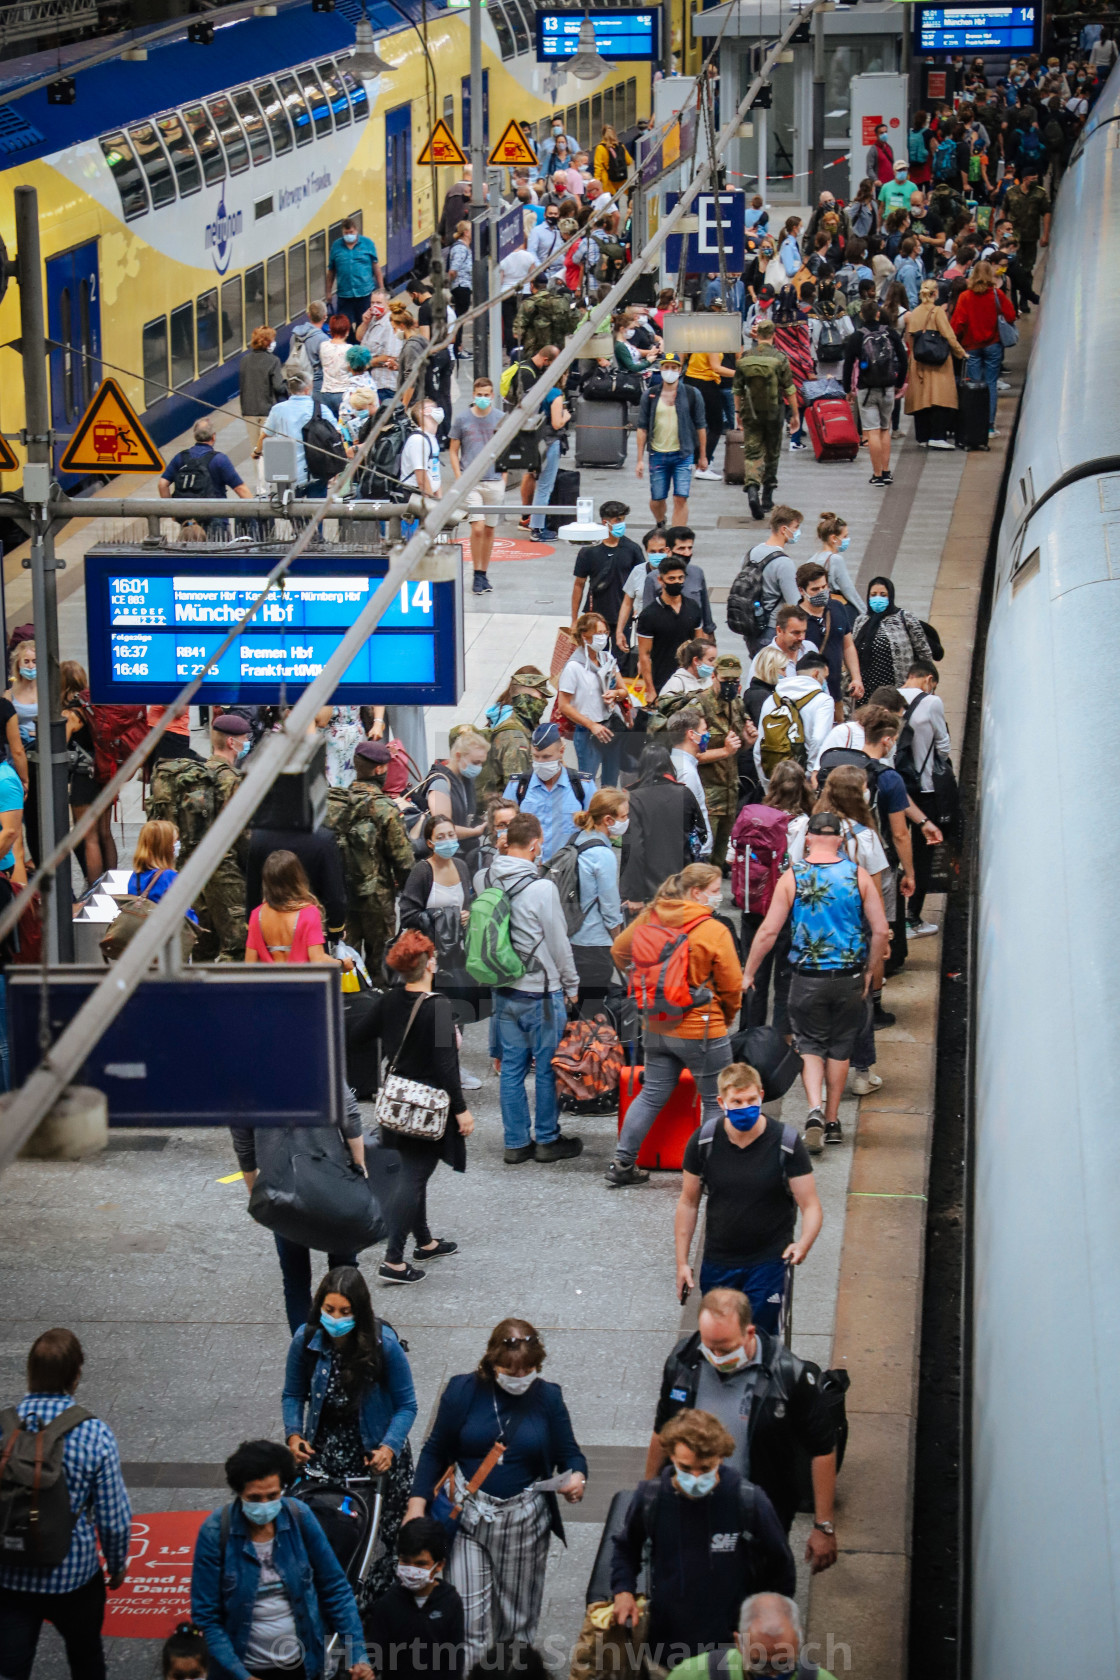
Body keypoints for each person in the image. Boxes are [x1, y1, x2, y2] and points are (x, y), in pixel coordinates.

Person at [405, 1320, 586, 1664]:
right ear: (491, 1363)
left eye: (528, 1370)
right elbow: (434, 1450)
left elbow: (571, 1453)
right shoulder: (462, 1392)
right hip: (467, 1519)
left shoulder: (548, 1397)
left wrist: (577, 1476)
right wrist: (416, 1506)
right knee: (466, 1626)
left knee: (516, 1628)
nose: (519, 1378)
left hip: (524, 1522)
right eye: (509, 1370)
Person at [648, 1289, 839, 1557]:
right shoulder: (683, 1361)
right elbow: (662, 1431)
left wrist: (824, 1525)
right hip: (691, 1507)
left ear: (749, 1332)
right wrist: (646, 1496)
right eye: (708, 1346)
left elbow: (822, 1447)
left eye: (724, 1348)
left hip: (759, 1515)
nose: (715, 1356)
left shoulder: (788, 1375)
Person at [745, 809, 890, 1153]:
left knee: (809, 1044)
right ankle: (833, 1119)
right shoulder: (858, 876)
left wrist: (749, 971)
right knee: (840, 1047)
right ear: (840, 839)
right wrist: (870, 970)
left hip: (806, 978)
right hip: (849, 977)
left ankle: (812, 1109)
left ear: (808, 838)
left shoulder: (793, 876)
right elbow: (882, 930)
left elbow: (768, 932)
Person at [610, 1409, 794, 1664]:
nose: (695, 1478)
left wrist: (765, 1626)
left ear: (721, 1458)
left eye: (705, 1468)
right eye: (686, 1468)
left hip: (730, 1648)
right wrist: (623, 1591)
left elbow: (781, 1567)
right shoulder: (650, 1498)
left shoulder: (749, 1501)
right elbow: (625, 1548)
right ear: (671, 1456)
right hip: (666, 1646)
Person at [0, 1328, 132, 1680]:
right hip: (73, 1576)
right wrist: (117, 1565)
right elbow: (113, 1516)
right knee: (86, 1659)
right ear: (76, 1375)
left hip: (9, 1572)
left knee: (10, 1667)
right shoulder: (93, 1433)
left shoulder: (3, 1428)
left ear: (29, 1372)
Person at [282, 1265, 417, 1596]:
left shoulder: (384, 1346)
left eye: (345, 1311)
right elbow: (293, 1394)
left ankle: (372, 1608)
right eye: (329, 1310)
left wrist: (388, 1447)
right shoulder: (306, 1341)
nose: (336, 1318)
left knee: (385, 1539)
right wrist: (294, 1435)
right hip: (324, 1462)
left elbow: (406, 1405)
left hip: (374, 1461)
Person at [190, 1438, 372, 1680]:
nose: (265, 1506)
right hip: (242, 1668)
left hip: (303, 1665)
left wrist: (357, 1654)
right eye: (254, 1498)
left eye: (273, 1496)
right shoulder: (215, 1532)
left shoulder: (300, 1517)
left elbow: (335, 1589)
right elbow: (207, 1619)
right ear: (239, 1493)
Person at [606, 862, 740, 1187]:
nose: (718, 897)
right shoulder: (713, 929)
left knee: (652, 1093)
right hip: (702, 1028)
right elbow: (732, 984)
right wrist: (728, 1014)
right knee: (713, 1100)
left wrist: (643, 981)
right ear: (696, 893)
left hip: (657, 1023)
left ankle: (622, 1163)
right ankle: (708, 1174)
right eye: (713, 891)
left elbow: (618, 950)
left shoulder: (651, 916)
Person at [675, 1064, 820, 1329]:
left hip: (768, 1264)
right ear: (722, 1102)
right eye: (737, 1101)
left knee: (761, 1342)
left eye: (752, 1100)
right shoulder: (704, 1141)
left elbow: (810, 1205)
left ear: (761, 1096)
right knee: (722, 1340)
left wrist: (803, 1244)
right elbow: (688, 1203)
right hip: (719, 1262)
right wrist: (682, 1263)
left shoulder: (786, 1143)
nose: (745, 1107)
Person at [367, 931, 476, 1279]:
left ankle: (425, 1242)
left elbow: (358, 1037)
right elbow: (447, 1065)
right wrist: (461, 1109)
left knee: (412, 1175)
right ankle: (394, 1259)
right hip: (427, 1110)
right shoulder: (439, 1006)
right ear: (428, 963)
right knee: (413, 1178)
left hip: (396, 1105)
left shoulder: (389, 1000)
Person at [483, 812, 583, 1162]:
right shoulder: (542, 888)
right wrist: (571, 984)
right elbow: (558, 942)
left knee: (511, 1067)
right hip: (541, 990)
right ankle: (546, 1139)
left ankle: (515, 1143)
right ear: (537, 844)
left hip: (504, 986)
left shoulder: (488, 877)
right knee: (545, 1067)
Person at [324, 739, 414, 976]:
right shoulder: (386, 808)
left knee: (345, 960)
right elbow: (403, 860)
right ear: (379, 770)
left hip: (340, 895)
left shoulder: (334, 803)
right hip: (378, 899)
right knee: (382, 963)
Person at [363, 1518, 465, 1680]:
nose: (412, 1570)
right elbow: (374, 1657)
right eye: (406, 1562)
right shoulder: (388, 1603)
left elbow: (455, 1663)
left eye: (420, 1564)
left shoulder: (451, 1602)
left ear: (439, 1565)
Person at [898, 659, 953, 936]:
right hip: (925, 788)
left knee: (896, 847)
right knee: (923, 854)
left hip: (897, 788)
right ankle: (913, 918)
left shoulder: (890, 697)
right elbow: (944, 744)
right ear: (929, 679)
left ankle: (893, 916)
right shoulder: (932, 702)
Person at [399, 816, 475, 1009]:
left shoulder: (462, 867)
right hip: (428, 957)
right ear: (430, 843)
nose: (447, 840)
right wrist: (446, 916)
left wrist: (468, 916)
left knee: (457, 1014)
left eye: (451, 835)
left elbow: (468, 904)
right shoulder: (422, 871)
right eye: (440, 837)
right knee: (433, 1015)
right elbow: (407, 915)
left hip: (456, 955)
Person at [733, 320, 798, 522]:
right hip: (774, 412)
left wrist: (737, 412)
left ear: (756, 335)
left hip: (750, 413)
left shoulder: (745, 358)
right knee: (772, 452)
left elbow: (737, 389)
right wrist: (794, 414)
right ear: (773, 335)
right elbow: (789, 389)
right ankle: (767, 497)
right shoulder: (780, 358)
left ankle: (752, 488)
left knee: (752, 453)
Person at [568, 789, 627, 1008]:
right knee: (591, 1012)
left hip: (572, 936)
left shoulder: (577, 839)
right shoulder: (603, 854)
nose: (626, 821)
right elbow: (610, 909)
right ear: (608, 820)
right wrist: (618, 942)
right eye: (623, 817)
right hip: (594, 942)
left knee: (575, 1009)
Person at [693, 655, 753, 869]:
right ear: (714, 677)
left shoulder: (736, 704)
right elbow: (691, 756)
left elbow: (736, 747)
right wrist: (725, 751)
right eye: (726, 681)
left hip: (729, 794)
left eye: (735, 681)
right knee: (702, 858)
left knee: (718, 861)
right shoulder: (699, 706)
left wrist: (747, 741)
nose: (730, 686)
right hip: (707, 795)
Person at [635, 354, 709, 526]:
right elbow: (642, 427)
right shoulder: (650, 395)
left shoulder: (692, 394)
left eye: (674, 368)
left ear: (680, 370)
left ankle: (677, 537)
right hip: (657, 454)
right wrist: (639, 460)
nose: (670, 371)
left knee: (680, 498)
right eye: (666, 367)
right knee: (657, 498)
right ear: (660, 369)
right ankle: (660, 521)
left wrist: (703, 455)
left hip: (683, 454)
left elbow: (701, 426)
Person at [557, 611, 629, 787]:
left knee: (611, 781)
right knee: (587, 783)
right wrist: (592, 725)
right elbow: (564, 705)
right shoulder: (573, 667)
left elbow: (624, 690)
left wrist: (616, 694)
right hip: (588, 731)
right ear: (585, 636)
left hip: (610, 725)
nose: (602, 638)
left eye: (605, 633)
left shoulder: (607, 658)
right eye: (598, 634)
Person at [841, 299, 907, 487]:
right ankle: (887, 472)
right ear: (878, 314)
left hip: (866, 389)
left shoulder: (857, 337)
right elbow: (903, 359)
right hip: (887, 387)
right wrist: (899, 383)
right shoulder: (891, 333)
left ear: (861, 315)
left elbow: (847, 366)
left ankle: (877, 474)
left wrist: (848, 389)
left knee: (872, 432)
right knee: (885, 429)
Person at [502, 722, 591, 862]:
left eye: (546, 757)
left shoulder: (582, 786)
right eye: (536, 757)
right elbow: (504, 826)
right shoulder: (518, 786)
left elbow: (594, 830)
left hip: (567, 869)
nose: (540, 762)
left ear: (561, 752)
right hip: (528, 868)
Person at [59, 663, 114, 884]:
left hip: (84, 778)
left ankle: (95, 889)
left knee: (89, 837)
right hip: (105, 774)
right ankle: (113, 886)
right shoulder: (97, 705)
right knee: (105, 834)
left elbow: (58, 746)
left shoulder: (71, 713)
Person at [450, 378, 506, 595]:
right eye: (479, 394)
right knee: (478, 527)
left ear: (492, 395)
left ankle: (483, 572)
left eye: (487, 394)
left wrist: (503, 476)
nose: (483, 398)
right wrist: (459, 476)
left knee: (490, 529)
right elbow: (453, 450)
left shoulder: (501, 418)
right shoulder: (462, 419)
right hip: (471, 482)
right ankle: (476, 573)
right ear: (474, 394)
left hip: (494, 481)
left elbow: (506, 449)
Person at [951, 260, 1017, 434]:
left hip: (971, 346)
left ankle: (975, 425)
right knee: (991, 384)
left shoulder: (965, 297)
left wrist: (955, 341)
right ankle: (989, 426)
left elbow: (958, 323)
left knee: (974, 385)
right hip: (993, 345)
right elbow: (1010, 315)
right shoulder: (996, 294)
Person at [753, 652, 834, 791]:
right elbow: (818, 739)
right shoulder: (823, 701)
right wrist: (809, 775)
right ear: (816, 674)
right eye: (824, 678)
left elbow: (759, 746)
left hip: (776, 778)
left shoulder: (773, 698)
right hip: (802, 778)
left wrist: (767, 785)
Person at [570, 501, 644, 652]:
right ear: (606, 522)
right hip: (595, 617)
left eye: (623, 519)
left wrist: (638, 607)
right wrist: (574, 619)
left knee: (620, 662)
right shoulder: (589, 551)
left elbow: (643, 579)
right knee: (595, 659)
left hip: (622, 616)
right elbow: (579, 584)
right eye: (618, 520)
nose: (621, 523)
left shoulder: (633, 549)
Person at [245, 850, 339, 967]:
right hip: (302, 983)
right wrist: (342, 963)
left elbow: (249, 964)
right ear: (296, 877)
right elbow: (318, 960)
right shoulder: (309, 913)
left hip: (269, 984)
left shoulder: (256, 915)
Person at [904, 278, 966, 447]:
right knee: (939, 398)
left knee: (921, 400)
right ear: (935, 293)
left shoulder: (914, 312)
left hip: (918, 362)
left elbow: (909, 338)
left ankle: (923, 437)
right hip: (938, 362)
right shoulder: (937, 311)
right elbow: (949, 335)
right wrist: (961, 353)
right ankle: (938, 436)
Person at [158, 418, 254, 527]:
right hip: (215, 521)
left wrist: (172, 511)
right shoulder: (220, 460)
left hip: (188, 522)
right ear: (213, 436)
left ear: (195, 436)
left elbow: (162, 484)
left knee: (189, 542)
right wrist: (256, 510)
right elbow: (240, 489)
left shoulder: (180, 458)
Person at [262, 369, 344, 497]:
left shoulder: (277, 410)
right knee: (316, 510)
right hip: (317, 471)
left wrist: (256, 451)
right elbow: (337, 434)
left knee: (293, 511)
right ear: (307, 389)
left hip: (288, 473)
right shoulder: (321, 409)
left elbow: (265, 434)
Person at [795, 561, 862, 712]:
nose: (822, 592)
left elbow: (848, 645)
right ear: (801, 590)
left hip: (835, 694)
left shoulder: (837, 608)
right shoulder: (796, 618)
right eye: (815, 589)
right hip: (808, 699)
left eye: (824, 587)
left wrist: (856, 678)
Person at [636, 555, 704, 701]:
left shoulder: (693, 608)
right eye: (671, 579)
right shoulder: (649, 615)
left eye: (680, 578)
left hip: (690, 682)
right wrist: (650, 689)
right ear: (661, 580)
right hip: (662, 682)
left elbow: (700, 645)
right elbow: (644, 655)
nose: (677, 582)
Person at [850, 576, 935, 691]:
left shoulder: (905, 618)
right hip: (866, 689)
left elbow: (924, 653)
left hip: (897, 688)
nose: (878, 598)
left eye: (883, 595)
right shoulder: (861, 621)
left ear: (891, 596)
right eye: (873, 595)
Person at [423, 727, 490, 868]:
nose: (479, 767)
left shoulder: (464, 778)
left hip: (464, 853)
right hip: (448, 857)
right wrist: (474, 832)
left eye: (482, 762)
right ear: (459, 756)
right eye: (476, 762)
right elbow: (441, 828)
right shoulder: (441, 783)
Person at [479, 668, 551, 798]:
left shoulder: (522, 727)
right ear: (525, 698)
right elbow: (517, 791)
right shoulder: (515, 738)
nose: (545, 702)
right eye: (541, 696)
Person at [127, 819, 199, 927]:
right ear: (165, 847)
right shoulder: (168, 877)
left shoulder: (135, 875)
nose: (177, 846)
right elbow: (187, 918)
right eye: (175, 842)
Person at [528, 367, 571, 543]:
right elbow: (556, 423)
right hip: (550, 442)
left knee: (540, 484)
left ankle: (535, 524)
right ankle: (537, 528)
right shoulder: (555, 394)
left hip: (534, 442)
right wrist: (566, 416)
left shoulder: (536, 390)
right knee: (545, 486)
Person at [614, 526, 670, 659]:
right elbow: (627, 603)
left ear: (669, 550)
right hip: (645, 634)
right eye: (653, 551)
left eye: (661, 551)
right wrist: (619, 631)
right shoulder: (638, 571)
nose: (657, 555)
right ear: (646, 551)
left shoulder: (677, 574)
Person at [666, 707, 714, 859]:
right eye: (704, 730)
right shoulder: (687, 773)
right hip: (691, 852)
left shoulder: (675, 763)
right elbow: (687, 817)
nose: (707, 735)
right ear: (691, 735)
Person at [1003, 165, 1050, 308]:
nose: (1036, 180)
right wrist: (1004, 235)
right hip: (1013, 238)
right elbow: (1004, 212)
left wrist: (1046, 235)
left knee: (1027, 269)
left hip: (1031, 236)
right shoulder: (1011, 193)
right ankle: (1014, 299)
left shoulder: (1040, 194)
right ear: (1025, 179)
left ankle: (1024, 299)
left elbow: (1046, 213)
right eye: (1033, 178)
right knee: (1012, 267)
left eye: (1037, 178)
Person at [328, 216, 384, 331]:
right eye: (346, 233)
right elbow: (331, 271)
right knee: (343, 326)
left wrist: (381, 288)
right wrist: (328, 292)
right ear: (342, 232)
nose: (349, 235)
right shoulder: (336, 246)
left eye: (351, 232)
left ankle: (362, 346)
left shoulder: (367, 244)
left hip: (365, 294)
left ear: (356, 231)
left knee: (365, 324)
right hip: (345, 295)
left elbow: (376, 267)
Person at [239, 325, 287, 429]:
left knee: (256, 445)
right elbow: (278, 386)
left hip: (249, 411)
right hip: (267, 411)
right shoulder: (273, 360)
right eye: (273, 339)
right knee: (269, 444)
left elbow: (242, 387)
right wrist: (288, 385)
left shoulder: (244, 360)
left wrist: (244, 410)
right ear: (267, 342)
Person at [400, 400, 442, 505]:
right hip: (415, 496)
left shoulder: (431, 438)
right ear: (423, 412)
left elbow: (434, 470)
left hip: (427, 496)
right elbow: (421, 478)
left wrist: (439, 498)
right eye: (433, 407)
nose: (438, 410)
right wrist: (432, 503)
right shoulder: (418, 440)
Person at [317, 313, 354, 416]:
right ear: (347, 331)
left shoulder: (323, 346)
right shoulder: (349, 349)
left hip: (325, 392)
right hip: (343, 393)